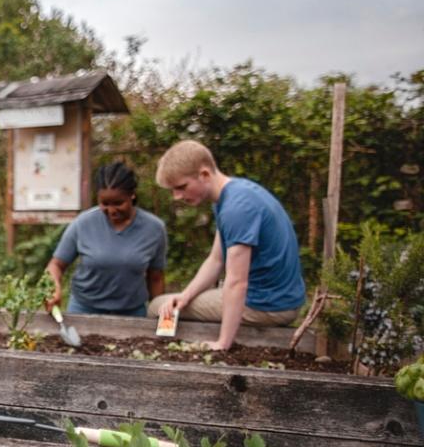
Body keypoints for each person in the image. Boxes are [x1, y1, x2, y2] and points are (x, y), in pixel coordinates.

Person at [148, 140, 305, 350]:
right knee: (173, 302)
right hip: (277, 299)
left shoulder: (236, 209)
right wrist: (184, 296)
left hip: (268, 305)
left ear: (204, 174)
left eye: (181, 187)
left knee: (157, 306)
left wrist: (223, 343)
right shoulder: (233, 196)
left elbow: (237, 282)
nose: (177, 196)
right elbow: (216, 260)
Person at [45, 163, 167, 317]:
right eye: (105, 203)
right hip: (84, 309)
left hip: (132, 313)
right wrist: (53, 287)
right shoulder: (83, 223)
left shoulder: (154, 228)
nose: (111, 210)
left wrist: (161, 317)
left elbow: (156, 278)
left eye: (118, 203)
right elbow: (56, 265)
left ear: (132, 195)